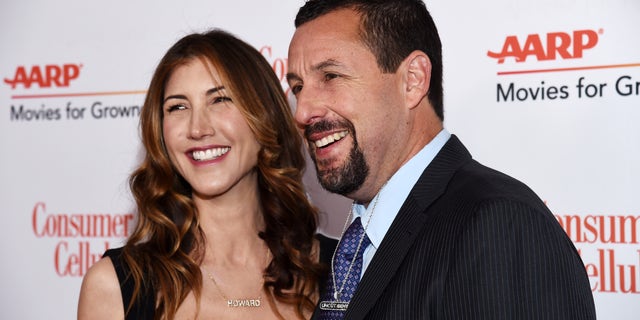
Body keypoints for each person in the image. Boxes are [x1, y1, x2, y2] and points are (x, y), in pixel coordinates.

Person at [286, 0, 597, 319]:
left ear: (413, 80)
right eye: (298, 87)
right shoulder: (357, 238)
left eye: (331, 76)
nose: (302, 111)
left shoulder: (498, 225)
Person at [78, 29, 337, 320]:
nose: (197, 128)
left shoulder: (343, 272)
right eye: (177, 107)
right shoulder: (117, 287)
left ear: (265, 116)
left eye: (220, 100)